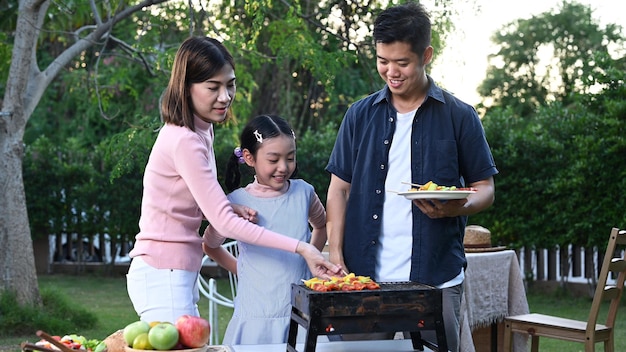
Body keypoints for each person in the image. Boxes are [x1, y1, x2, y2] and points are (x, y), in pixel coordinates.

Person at [126, 36, 340, 324]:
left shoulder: (201, 131)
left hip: (176, 269)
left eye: (230, 84)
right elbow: (224, 224)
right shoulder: (185, 139)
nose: (225, 96)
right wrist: (302, 247)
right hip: (164, 271)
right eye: (213, 87)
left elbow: (181, 203)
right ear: (186, 87)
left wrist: (228, 207)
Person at [325, 2, 498, 351]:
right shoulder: (358, 116)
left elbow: (485, 189)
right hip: (365, 276)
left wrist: (457, 207)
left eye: (402, 62)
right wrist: (336, 255)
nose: (392, 72)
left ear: (426, 55)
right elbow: (338, 191)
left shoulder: (460, 116)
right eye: (382, 61)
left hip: (436, 277)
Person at [203, 114, 327, 345]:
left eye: (290, 158)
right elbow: (210, 245)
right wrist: (242, 268)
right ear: (249, 158)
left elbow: (321, 224)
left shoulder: (304, 192)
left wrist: (309, 255)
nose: (283, 167)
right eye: (273, 159)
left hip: (302, 315)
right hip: (256, 316)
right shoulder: (237, 202)